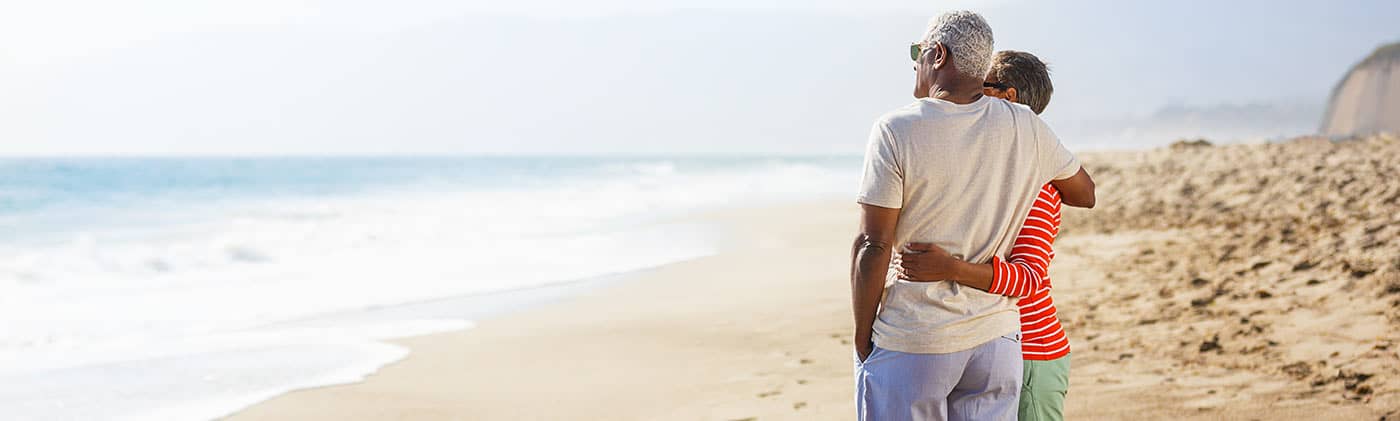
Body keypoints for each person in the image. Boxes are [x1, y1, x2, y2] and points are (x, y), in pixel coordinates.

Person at [850, 11, 1095, 421]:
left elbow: (873, 245)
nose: (915, 63)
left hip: (917, 337)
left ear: (938, 54)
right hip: (996, 340)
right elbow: (1084, 191)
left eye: (918, 52)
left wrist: (862, 337)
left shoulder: (896, 128)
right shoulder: (1027, 126)